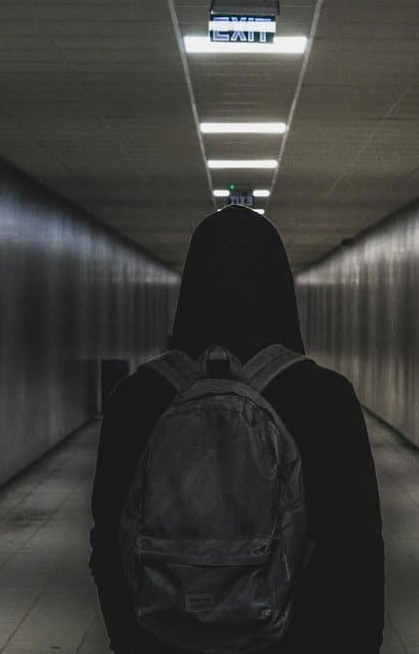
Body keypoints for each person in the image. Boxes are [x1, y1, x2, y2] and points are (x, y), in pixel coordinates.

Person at [89, 205, 384, 653]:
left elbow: (107, 544)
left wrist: (133, 643)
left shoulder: (136, 399)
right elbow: (357, 557)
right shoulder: (326, 399)